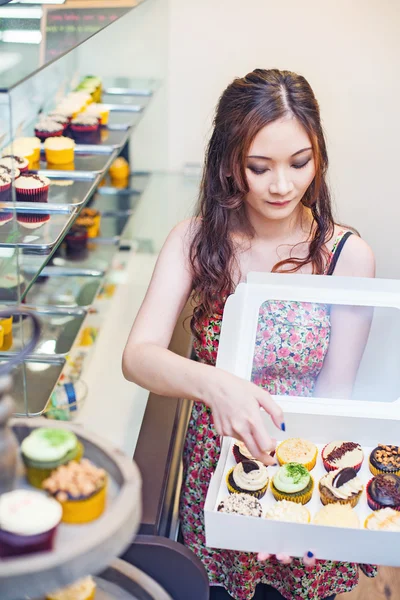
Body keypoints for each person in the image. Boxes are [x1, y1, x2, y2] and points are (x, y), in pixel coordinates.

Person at [123, 69, 377, 600]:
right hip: (214, 469)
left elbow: (335, 394)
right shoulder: (195, 240)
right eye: (259, 168)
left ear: (319, 157)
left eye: (299, 163)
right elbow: (138, 357)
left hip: (302, 464)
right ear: (229, 163)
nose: (281, 185)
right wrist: (216, 385)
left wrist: (295, 503)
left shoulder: (345, 256)